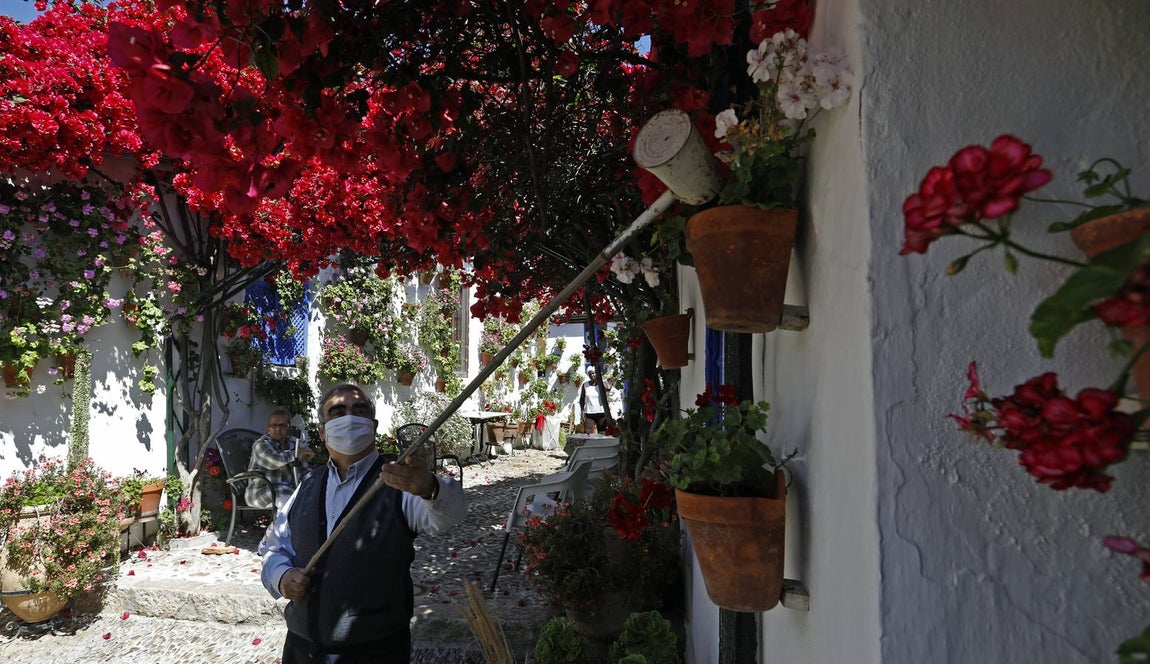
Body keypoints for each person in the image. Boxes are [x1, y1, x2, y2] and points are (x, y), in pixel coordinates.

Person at [259, 383, 467, 664]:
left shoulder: (399, 480)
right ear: (322, 432)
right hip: (302, 648)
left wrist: (430, 488)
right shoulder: (308, 483)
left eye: (359, 410)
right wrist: (281, 577)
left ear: (373, 425)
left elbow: (450, 515)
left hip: (374, 652)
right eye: (338, 411)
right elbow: (274, 547)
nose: (350, 417)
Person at [247, 408, 315, 510]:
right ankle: (286, 525)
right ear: (268, 428)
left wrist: (314, 481)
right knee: (291, 502)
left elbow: (306, 470)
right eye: (274, 425)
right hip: (262, 491)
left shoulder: (293, 446)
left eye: (282, 425)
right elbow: (275, 461)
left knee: (312, 497)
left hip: (287, 490)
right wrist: (297, 452)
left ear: (288, 427)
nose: (277, 429)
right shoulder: (261, 444)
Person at [579, 366, 612, 432]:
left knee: (602, 433)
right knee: (589, 435)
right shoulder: (585, 385)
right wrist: (582, 411)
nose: (592, 375)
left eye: (593, 373)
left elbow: (608, 388)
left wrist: (600, 380)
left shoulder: (602, 384)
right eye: (590, 374)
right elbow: (582, 399)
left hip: (601, 413)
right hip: (589, 413)